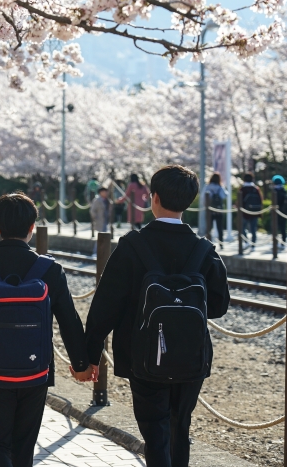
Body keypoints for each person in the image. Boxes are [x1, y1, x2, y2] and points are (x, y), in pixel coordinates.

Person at [85, 165, 230, 467]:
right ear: (189, 202)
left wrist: (89, 354)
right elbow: (218, 306)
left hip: (143, 355)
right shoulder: (204, 250)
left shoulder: (132, 246)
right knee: (181, 425)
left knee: (155, 432)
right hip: (191, 356)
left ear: (154, 198)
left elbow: (105, 307)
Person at [0, 193, 94, 467]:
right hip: (35, 371)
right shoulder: (50, 269)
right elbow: (69, 320)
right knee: (24, 445)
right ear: (32, 228)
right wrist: (81, 363)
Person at [239, 173, 263, 250]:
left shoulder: (242, 189)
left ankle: (246, 242)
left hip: (244, 212)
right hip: (255, 211)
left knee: (242, 228)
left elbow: (240, 201)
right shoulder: (256, 189)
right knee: (253, 229)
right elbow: (260, 200)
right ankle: (253, 245)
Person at [203, 173, 227, 248]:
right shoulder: (220, 187)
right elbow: (225, 195)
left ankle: (208, 244)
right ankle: (221, 244)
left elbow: (203, 197)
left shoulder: (207, 187)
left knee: (209, 227)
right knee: (220, 227)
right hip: (218, 209)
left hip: (209, 210)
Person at [272, 175, 287, 250]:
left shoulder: (275, 191)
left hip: (277, 212)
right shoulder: (284, 190)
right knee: (283, 228)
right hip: (285, 212)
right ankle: (283, 242)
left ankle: (275, 243)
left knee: (275, 228)